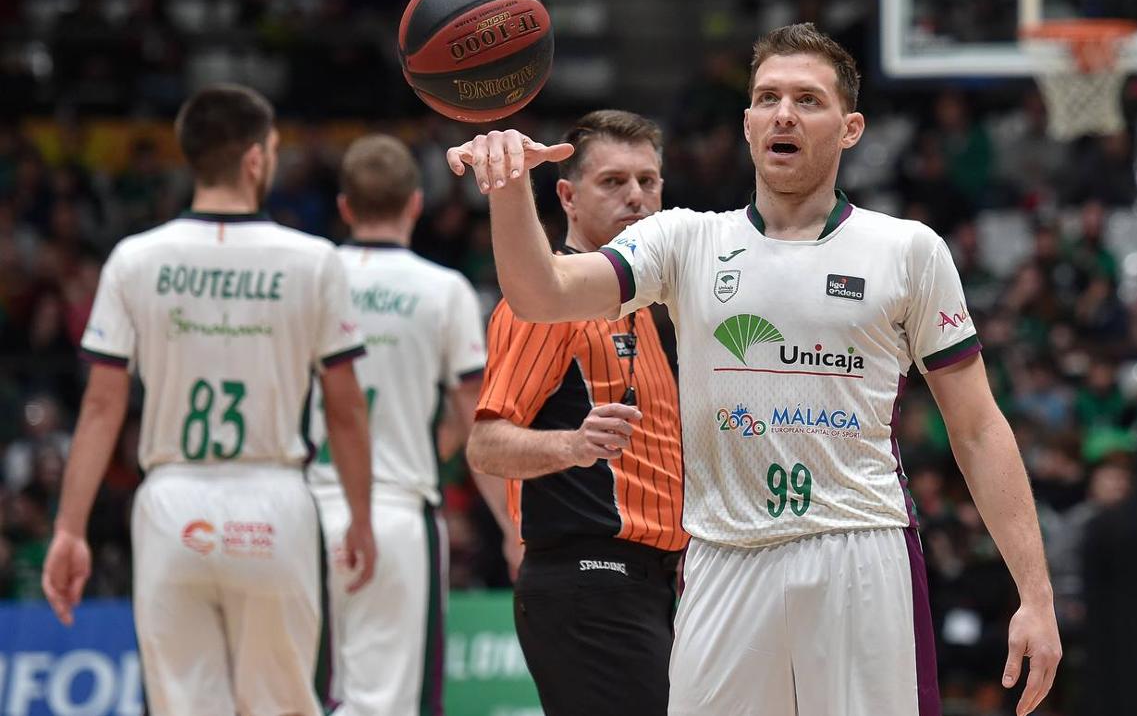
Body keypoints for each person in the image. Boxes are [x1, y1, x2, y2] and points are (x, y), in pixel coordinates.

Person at [448, 24, 1062, 716]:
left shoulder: (909, 251)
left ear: (851, 127)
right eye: (768, 98)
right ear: (746, 124)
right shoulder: (685, 239)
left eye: (807, 99)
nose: (784, 114)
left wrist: (1035, 596)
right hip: (723, 558)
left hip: (857, 548)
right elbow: (542, 295)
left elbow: (978, 427)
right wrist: (506, 189)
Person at [41, 84, 377, 716]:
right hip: (273, 501)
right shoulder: (314, 260)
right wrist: (359, 514)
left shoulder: (133, 259)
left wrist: (69, 528)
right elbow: (345, 410)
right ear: (255, 159)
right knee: (282, 706)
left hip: (171, 504)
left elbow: (100, 407)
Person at [466, 109, 687, 716]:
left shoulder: (645, 307)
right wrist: (574, 444)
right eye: (613, 183)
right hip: (590, 580)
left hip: (648, 584)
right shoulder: (546, 302)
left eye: (648, 181)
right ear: (567, 195)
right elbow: (485, 446)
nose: (636, 198)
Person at [306, 134, 486, 715]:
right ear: (415, 203)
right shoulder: (445, 289)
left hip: (306, 507)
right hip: (397, 511)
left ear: (344, 207)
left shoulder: (309, 275)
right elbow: (473, 416)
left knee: (300, 696)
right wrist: (511, 529)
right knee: (389, 704)